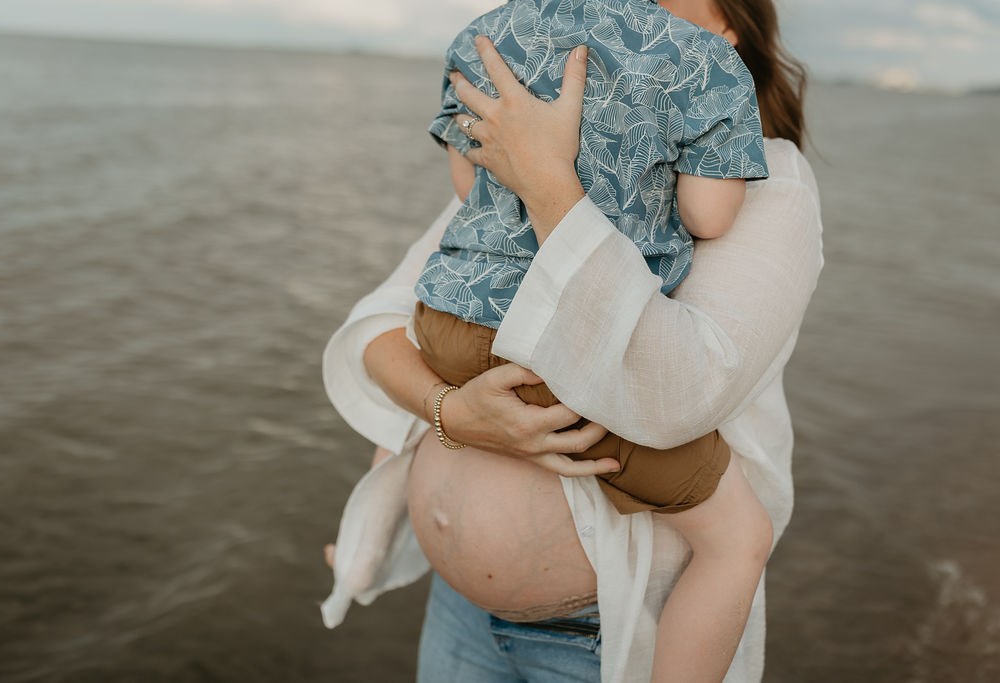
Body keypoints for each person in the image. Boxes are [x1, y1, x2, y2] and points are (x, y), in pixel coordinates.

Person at [322, 0, 820, 681]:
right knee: (737, 538)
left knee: (739, 538)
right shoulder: (530, 137)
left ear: (731, 29)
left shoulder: (772, 179)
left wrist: (551, 184)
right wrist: (454, 413)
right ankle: (364, 546)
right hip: (458, 612)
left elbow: (680, 393)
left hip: (595, 641)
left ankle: (363, 548)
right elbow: (384, 326)